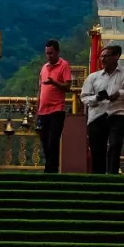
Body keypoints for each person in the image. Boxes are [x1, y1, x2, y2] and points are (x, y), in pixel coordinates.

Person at [83, 44, 124, 174]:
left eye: (106, 56)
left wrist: (120, 94)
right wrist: (97, 97)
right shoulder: (93, 77)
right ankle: (98, 178)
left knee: (115, 144)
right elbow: (84, 98)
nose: (103, 59)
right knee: (97, 149)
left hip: (117, 113)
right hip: (97, 115)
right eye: (101, 56)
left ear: (116, 56)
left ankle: (112, 174)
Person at [37, 39, 74, 173]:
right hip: (43, 111)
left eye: (51, 53)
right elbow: (40, 90)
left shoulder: (64, 65)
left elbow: (67, 86)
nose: (49, 56)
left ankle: (51, 171)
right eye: (47, 53)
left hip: (57, 110)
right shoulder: (44, 68)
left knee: (53, 141)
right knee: (45, 142)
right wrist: (37, 108)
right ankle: (50, 167)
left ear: (57, 52)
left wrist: (54, 83)